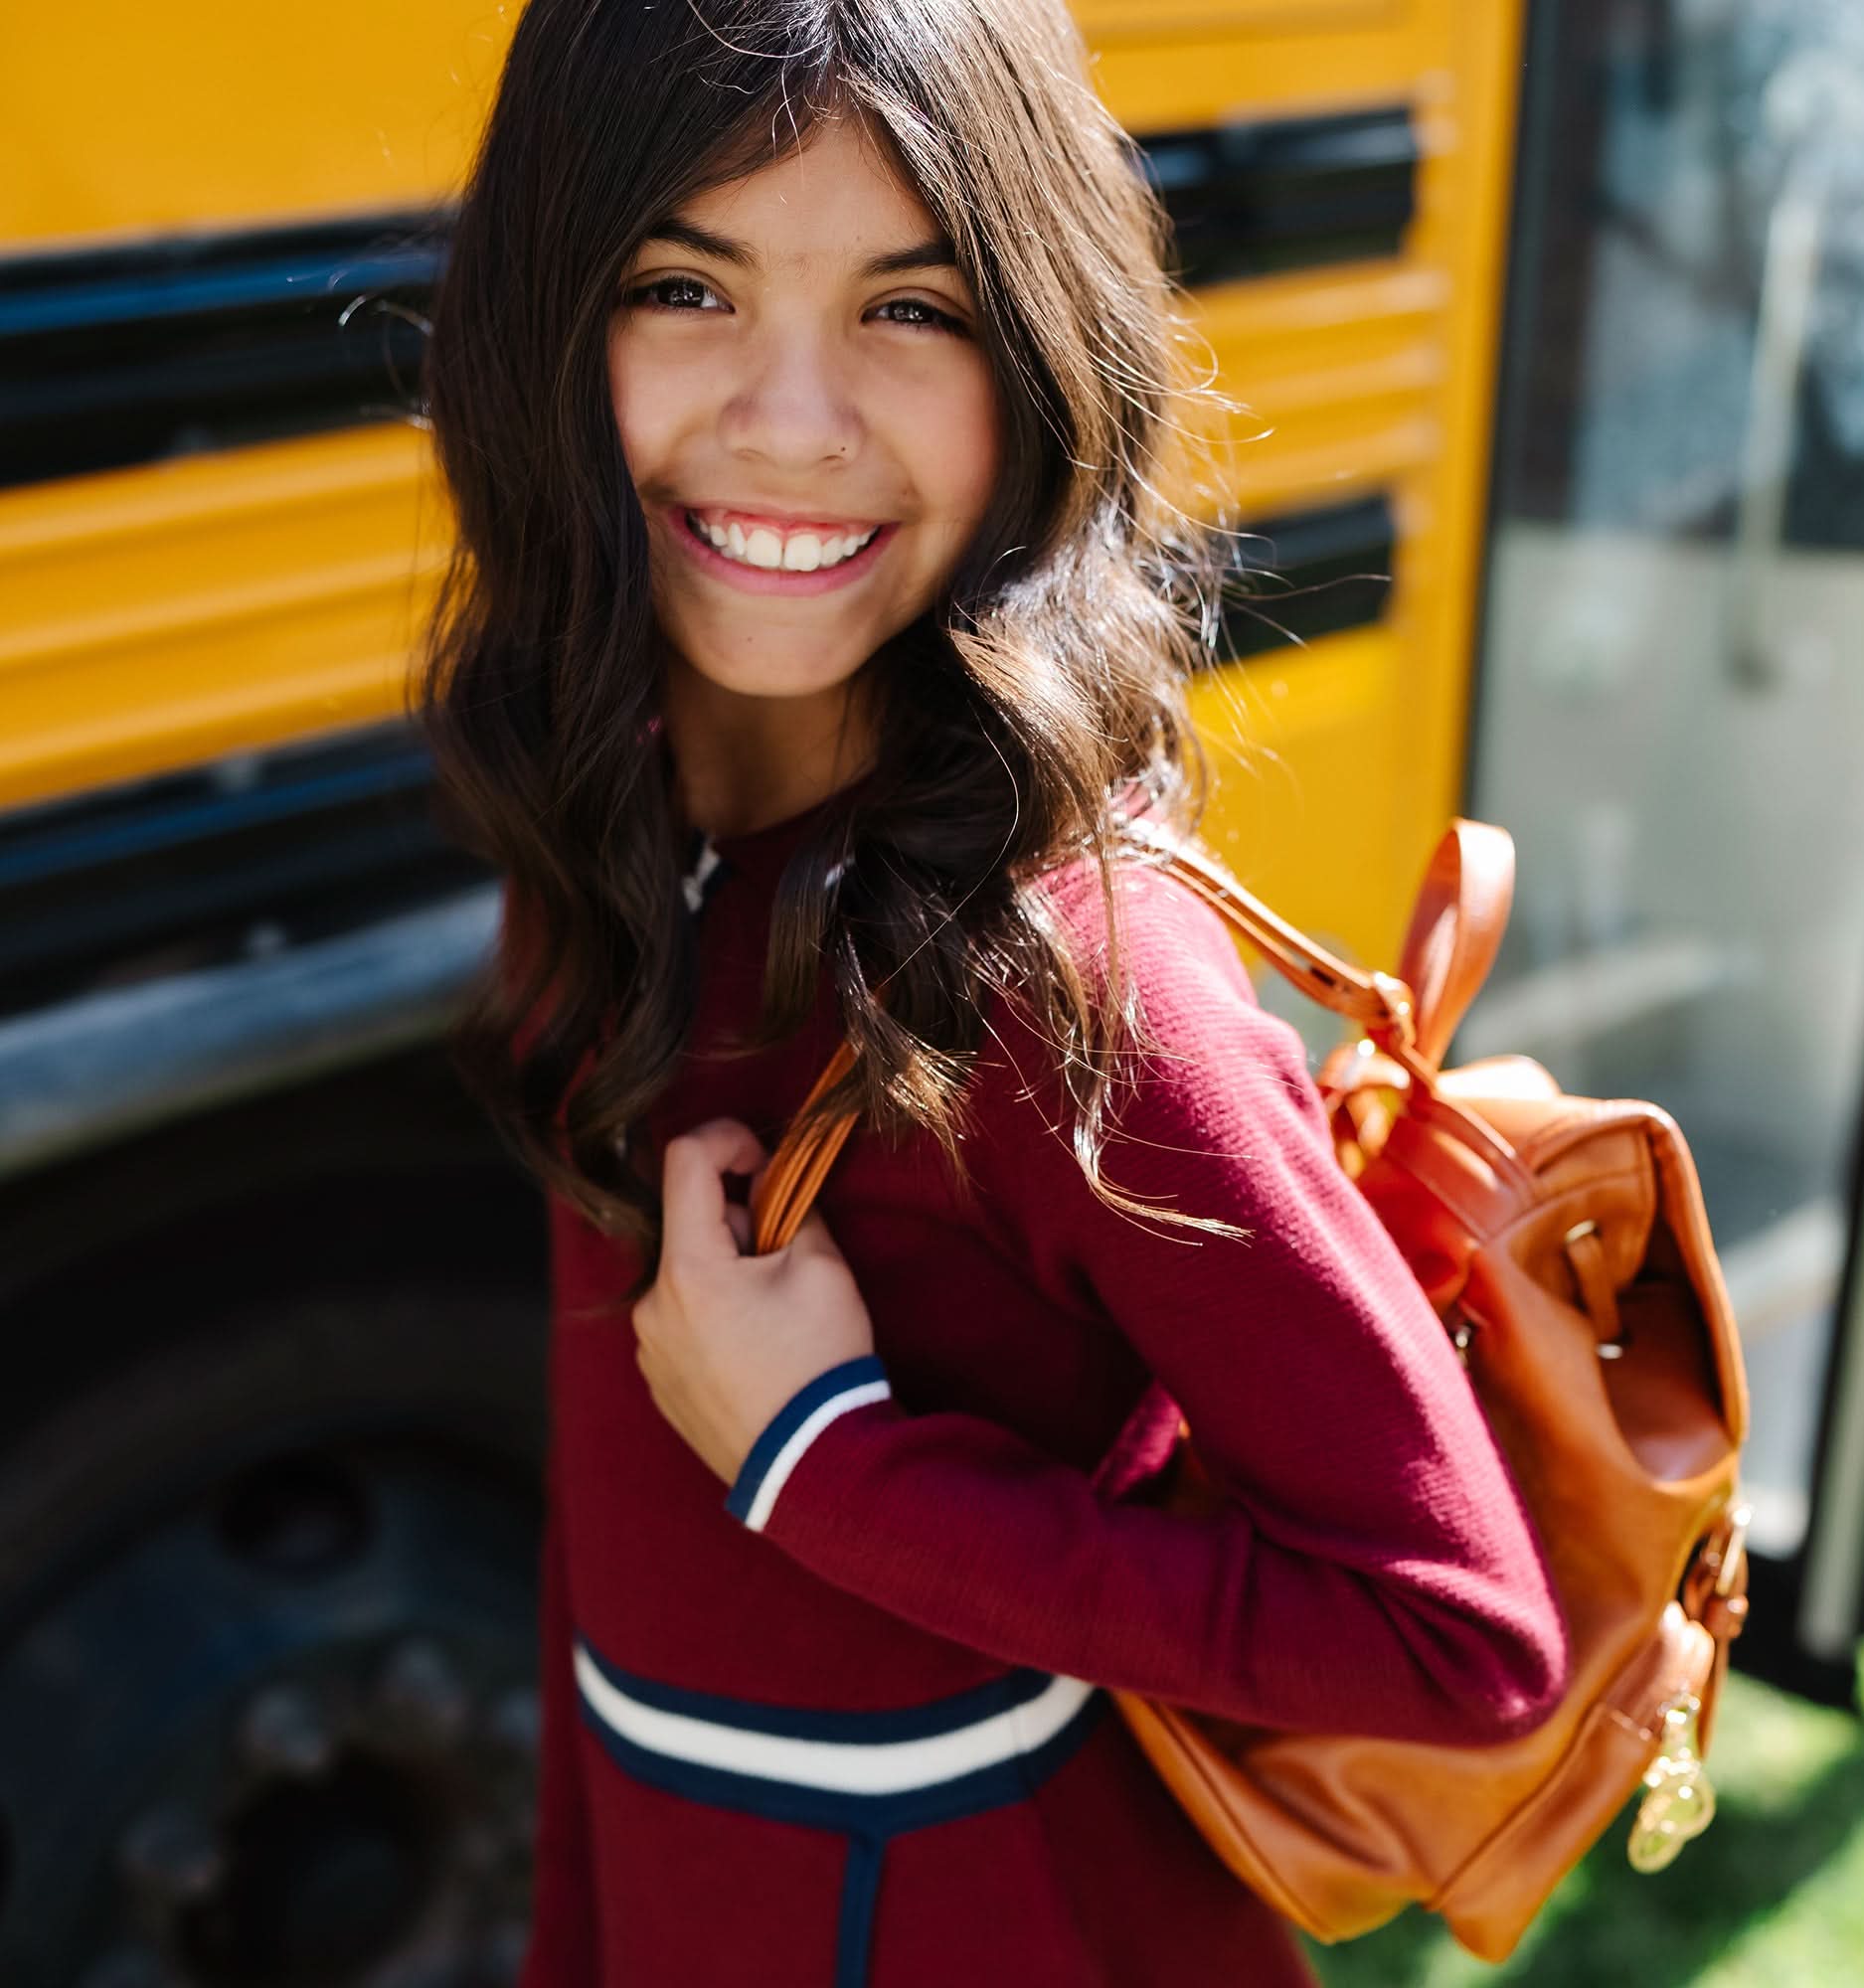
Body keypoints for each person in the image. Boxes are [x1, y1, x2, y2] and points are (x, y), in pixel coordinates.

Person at [417, 2, 1570, 1982]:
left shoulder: (1068, 979)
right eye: (682, 284)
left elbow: (1458, 1631)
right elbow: (616, 1573)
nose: (791, 417)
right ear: (541, 323)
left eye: (912, 308)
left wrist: (831, 1468)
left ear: (1042, 357)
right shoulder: (602, 845)